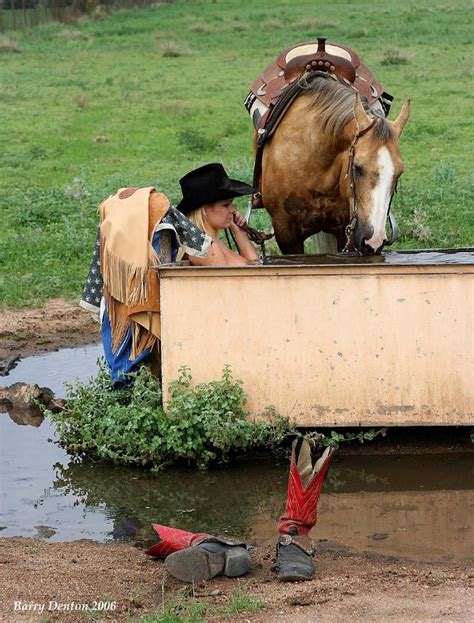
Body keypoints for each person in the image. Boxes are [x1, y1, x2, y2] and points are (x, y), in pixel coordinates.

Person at [175, 162, 258, 266]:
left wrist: (240, 234)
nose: (233, 210)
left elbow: (256, 267)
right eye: (225, 205)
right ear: (204, 210)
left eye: (231, 203)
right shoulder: (208, 249)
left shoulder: (212, 244)